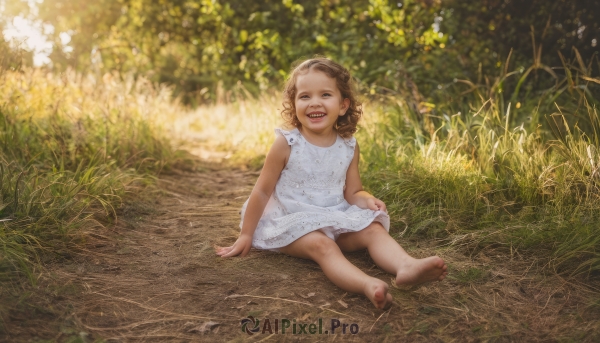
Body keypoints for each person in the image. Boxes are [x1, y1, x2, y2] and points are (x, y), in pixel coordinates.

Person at [216, 57, 447, 309]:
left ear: (343, 105)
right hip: (292, 222)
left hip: (334, 216)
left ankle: (406, 266)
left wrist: (366, 200)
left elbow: (352, 191)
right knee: (322, 245)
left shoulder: (348, 145)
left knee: (373, 229)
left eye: (325, 94)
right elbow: (261, 191)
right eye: (305, 96)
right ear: (294, 105)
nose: (315, 102)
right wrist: (246, 234)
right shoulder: (287, 143)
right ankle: (368, 285)